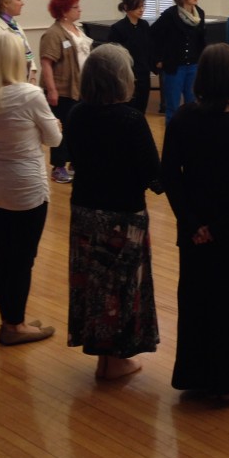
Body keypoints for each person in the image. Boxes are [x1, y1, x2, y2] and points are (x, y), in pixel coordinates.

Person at [162, 44, 229, 396]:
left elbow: (170, 177)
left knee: (198, 300)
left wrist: (194, 224)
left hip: (195, 231)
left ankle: (197, 374)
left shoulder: (182, 119)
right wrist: (220, 228)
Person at [65, 44, 161, 379]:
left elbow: (72, 156)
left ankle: (102, 356)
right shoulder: (131, 119)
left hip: (86, 211)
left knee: (93, 284)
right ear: (122, 78)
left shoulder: (77, 113)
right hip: (123, 216)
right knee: (121, 286)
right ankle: (116, 358)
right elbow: (152, 173)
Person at [0, 33, 61, 346]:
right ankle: (15, 325)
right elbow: (54, 140)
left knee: (5, 254)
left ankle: (9, 319)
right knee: (23, 259)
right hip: (25, 185)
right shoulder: (28, 94)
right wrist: (54, 127)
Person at [40, 0, 92, 185]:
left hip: (80, 88)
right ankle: (58, 166)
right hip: (62, 89)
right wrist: (52, 90)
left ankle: (76, 162)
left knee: (78, 127)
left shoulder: (76, 29)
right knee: (62, 128)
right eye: (75, 7)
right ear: (63, 11)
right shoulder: (53, 33)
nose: (79, 10)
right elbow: (46, 63)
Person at [152, 0, 205, 122]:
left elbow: (201, 40)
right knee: (173, 107)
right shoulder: (170, 15)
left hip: (193, 65)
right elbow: (153, 35)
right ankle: (172, 137)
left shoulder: (199, 13)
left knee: (193, 104)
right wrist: (158, 58)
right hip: (174, 67)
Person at [108, 0, 153, 114]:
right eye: (138, 7)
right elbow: (115, 55)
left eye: (143, 6)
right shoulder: (117, 28)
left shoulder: (144, 25)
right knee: (127, 108)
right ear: (126, 8)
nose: (141, 10)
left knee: (141, 108)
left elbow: (148, 49)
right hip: (127, 75)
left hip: (143, 74)